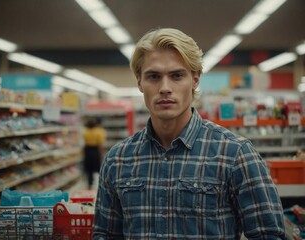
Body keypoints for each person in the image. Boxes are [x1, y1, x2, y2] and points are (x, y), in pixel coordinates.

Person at [92, 28, 286, 239]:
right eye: (154, 76)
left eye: (177, 76)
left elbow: (269, 235)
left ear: (195, 80)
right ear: (140, 81)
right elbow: (105, 234)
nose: (165, 88)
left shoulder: (236, 155)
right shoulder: (117, 160)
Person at [82, 117, 106, 189]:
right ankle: (100, 183)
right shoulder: (99, 131)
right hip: (95, 150)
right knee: (98, 167)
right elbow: (100, 144)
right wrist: (102, 153)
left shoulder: (85, 131)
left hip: (87, 150)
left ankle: (89, 184)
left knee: (89, 168)